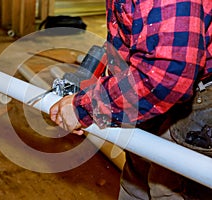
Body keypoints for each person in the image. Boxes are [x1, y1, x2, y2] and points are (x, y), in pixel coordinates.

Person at [50, 0, 212, 199]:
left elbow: (167, 77)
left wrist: (86, 108)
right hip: (143, 91)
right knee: (135, 179)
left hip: (193, 97)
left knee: (167, 186)